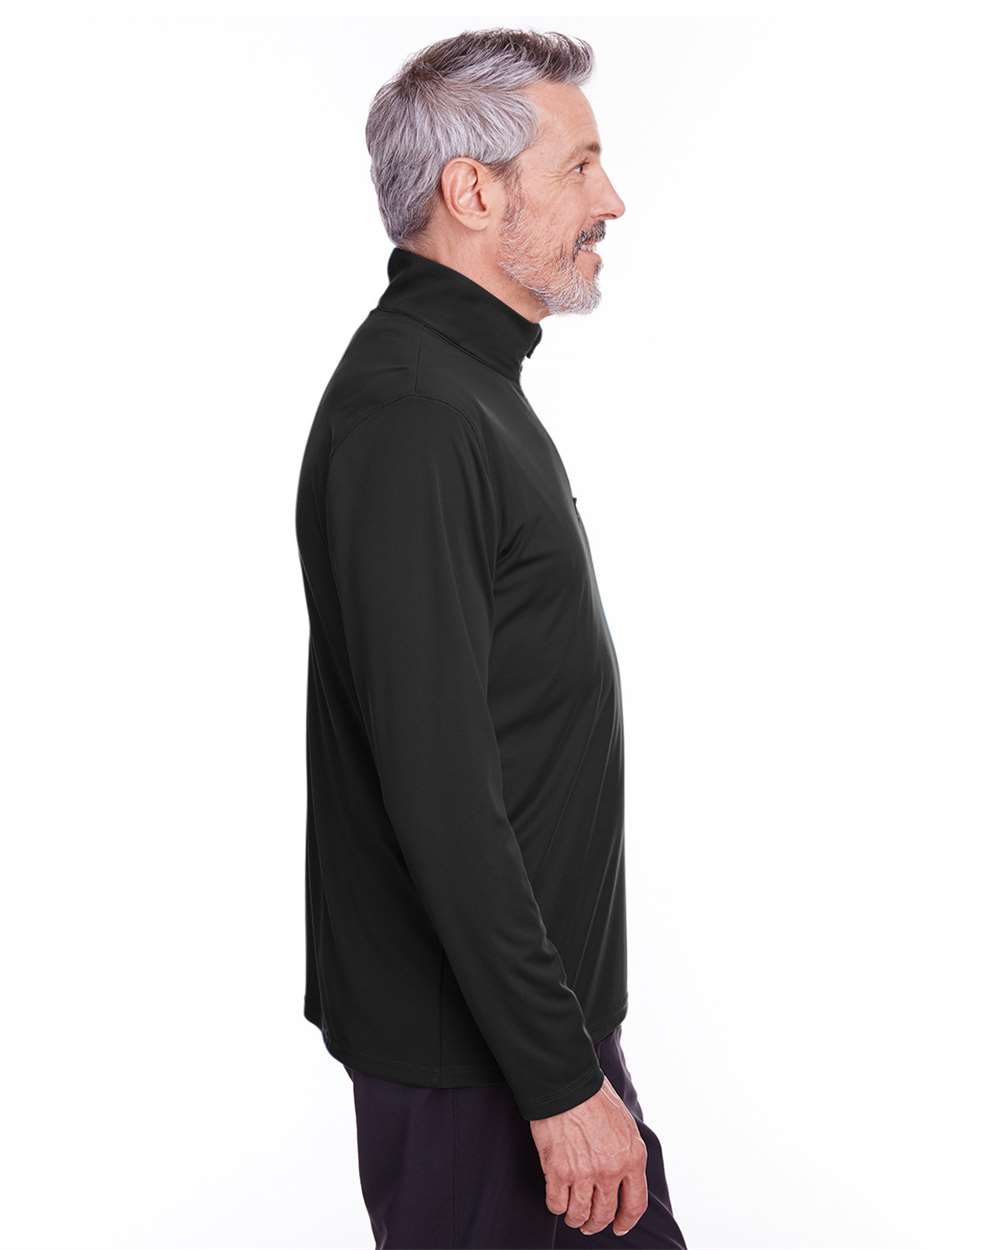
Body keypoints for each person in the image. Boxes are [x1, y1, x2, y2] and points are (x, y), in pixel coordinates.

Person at [295, 27, 687, 1250]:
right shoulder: (417, 415)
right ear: (472, 191)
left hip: (529, 1038)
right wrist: (559, 1083)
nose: (610, 200)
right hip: (486, 1065)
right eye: (579, 166)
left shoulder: (466, 388)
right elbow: (438, 790)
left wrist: (569, 1056)